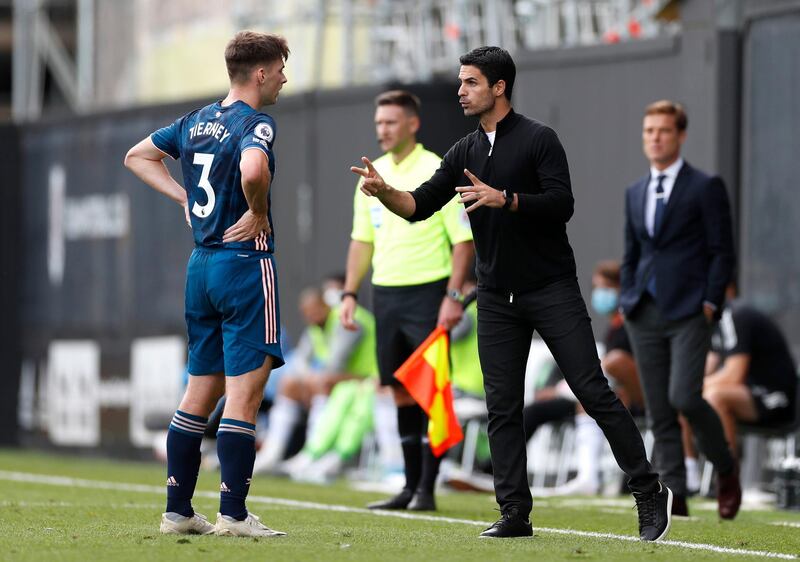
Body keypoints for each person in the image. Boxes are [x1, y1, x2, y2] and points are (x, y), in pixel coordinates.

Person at [351, 47, 670, 541]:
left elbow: (562, 203)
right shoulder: (463, 151)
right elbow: (418, 206)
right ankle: (515, 511)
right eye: (460, 81)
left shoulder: (540, 139)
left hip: (551, 289)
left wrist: (508, 199)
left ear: (499, 87)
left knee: (592, 391)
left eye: (471, 82)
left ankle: (649, 490)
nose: (461, 90)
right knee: (502, 405)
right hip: (496, 297)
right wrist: (385, 190)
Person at [124, 31, 289, 538]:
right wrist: (258, 210)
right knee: (243, 397)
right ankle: (234, 516)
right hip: (243, 265)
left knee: (199, 392)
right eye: (281, 67)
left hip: (201, 265)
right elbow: (254, 166)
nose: (285, 77)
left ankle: (177, 512)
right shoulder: (254, 122)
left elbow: (137, 156)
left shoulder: (195, 120)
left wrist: (183, 200)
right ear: (260, 73)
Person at [340, 90, 475, 512]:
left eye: (391, 122)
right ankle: (409, 485)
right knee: (398, 389)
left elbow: (463, 240)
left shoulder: (436, 168)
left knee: (429, 390)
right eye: (379, 122)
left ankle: (427, 489)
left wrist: (453, 296)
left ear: (413, 124)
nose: (383, 130)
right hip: (387, 294)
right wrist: (349, 292)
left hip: (428, 291)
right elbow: (362, 240)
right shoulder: (371, 172)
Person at [620, 100, 740, 520]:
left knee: (685, 396)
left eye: (664, 130)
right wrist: (627, 297)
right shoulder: (635, 191)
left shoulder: (705, 187)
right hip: (644, 312)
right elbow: (632, 252)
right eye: (649, 130)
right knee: (658, 409)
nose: (655, 137)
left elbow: (722, 251)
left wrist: (710, 302)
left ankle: (725, 469)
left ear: (680, 135)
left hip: (690, 310)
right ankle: (676, 493)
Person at [253, 285, 377, 473]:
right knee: (289, 385)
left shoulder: (347, 319)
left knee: (321, 383)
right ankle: (272, 453)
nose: (312, 316)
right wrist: (307, 380)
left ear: (326, 305)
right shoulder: (316, 327)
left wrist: (311, 381)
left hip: (371, 378)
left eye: (315, 310)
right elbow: (301, 361)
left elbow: (337, 364)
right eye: (307, 312)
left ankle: (312, 452)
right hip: (344, 379)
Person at [704, 286, 798, 457]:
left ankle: (728, 477)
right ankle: (687, 471)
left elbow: (734, 375)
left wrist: (692, 388)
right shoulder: (712, 324)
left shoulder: (736, 314)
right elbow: (708, 367)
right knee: (684, 399)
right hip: (750, 394)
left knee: (714, 396)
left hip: (776, 398)